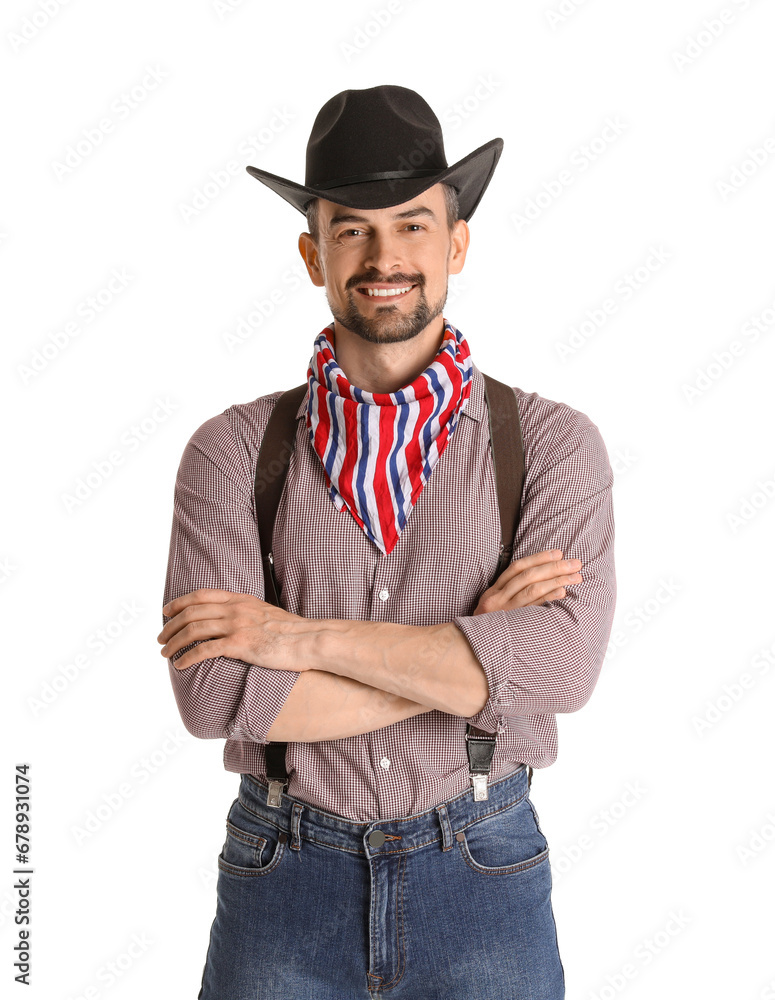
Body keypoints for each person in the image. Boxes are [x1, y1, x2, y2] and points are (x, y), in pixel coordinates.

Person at [158, 85, 616, 1000]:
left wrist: (296, 642)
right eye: (351, 229)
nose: (384, 257)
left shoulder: (554, 443)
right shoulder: (233, 450)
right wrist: (473, 657)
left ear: (456, 243)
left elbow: (560, 674)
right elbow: (212, 695)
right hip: (280, 873)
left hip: (484, 871)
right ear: (312, 252)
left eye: (411, 226)